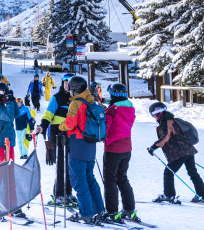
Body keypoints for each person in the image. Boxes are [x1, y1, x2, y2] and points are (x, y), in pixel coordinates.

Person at [59, 75, 105, 225]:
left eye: (70, 87)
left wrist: (61, 126)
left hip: (78, 144)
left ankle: (86, 213)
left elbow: (70, 123)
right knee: (89, 178)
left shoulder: (76, 103)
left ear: (74, 89)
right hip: (90, 144)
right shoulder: (91, 100)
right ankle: (99, 209)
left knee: (79, 181)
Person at [148, 102, 204, 205]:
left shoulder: (166, 122)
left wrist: (153, 147)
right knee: (193, 173)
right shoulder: (172, 120)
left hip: (179, 152)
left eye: (153, 114)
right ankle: (202, 195)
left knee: (168, 172)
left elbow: (165, 137)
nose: (154, 117)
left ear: (158, 113)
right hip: (188, 150)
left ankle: (169, 195)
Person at [0, 82, 28, 220]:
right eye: (4, 94)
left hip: (9, 144)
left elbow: (15, 113)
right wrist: (8, 102)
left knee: (10, 176)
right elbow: (8, 116)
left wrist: (12, 100)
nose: (5, 98)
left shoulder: (2, 104)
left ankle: (12, 205)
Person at [102, 83, 140, 224]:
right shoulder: (129, 108)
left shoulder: (112, 111)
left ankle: (112, 211)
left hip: (113, 148)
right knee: (122, 178)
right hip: (126, 147)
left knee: (110, 180)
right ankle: (129, 209)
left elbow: (106, 129)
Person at [37, 73, 75, 206]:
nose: (67, 84)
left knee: (70, 165)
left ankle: (68, 192)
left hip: (71, 136)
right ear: (62, 83)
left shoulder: (75, 99)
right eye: (65, 81)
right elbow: (48, 114)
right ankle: (59, 194)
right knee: (61, 166)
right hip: (57, 135)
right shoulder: (56, 98)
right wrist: (42, 126)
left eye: (70, 82)